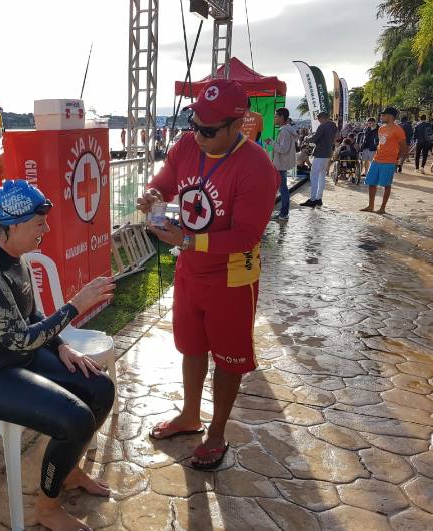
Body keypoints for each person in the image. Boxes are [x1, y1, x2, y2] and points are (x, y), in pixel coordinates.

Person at [0, 179, 116, 531]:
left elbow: (33, 317)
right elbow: (19, 339)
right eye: (39, 223)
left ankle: (67, 471)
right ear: (13, 226)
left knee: (100, 388)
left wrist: (62, 346)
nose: (47, 229)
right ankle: (47, 508)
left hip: (16, 357)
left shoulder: (16, 258)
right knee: (74, 419)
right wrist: (74, 306)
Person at [137, 79, 278, 470]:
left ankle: (217, 431)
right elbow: (165, 183)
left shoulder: (257, 168)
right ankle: (189, 415)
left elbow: (246, 235)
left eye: (209, 129)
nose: (198, 134)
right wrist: (151, 193)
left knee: (229, 359)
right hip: (190, 271)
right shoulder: (187, 144)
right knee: (191, 346)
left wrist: (188, 241)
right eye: (194, 123)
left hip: (232, 276)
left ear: (238, 125)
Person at [361, 106, 407, 214]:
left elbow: (404, 148)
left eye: (384, 115)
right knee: (371, 183)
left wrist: (396, 160)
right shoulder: (381, 128)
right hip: (376, 159)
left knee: (386, 185)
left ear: (390, 116)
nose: (381, 116)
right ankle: (370, 206)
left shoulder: (398, 130)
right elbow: (381, 144)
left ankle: (382, 208)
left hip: (389, 162)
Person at [265, 107, 297, 220]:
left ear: (282, 117)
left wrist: (272, 143)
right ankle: (282, 212)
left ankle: (283, 213)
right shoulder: (286, 130)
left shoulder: (284, 131)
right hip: (281, 164)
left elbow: (283, 149)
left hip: (281, 164)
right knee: (282, 188)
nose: (274, 119)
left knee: (283, 188)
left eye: (275, 116)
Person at [300, 112, 337, 208]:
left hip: (320, 154)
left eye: (319, 119)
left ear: (322, 118)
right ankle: (319, 198)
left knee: (314, 176)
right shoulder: (333, 125)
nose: (319, 121)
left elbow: (314, 139)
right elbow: (337, 137)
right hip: (328, 153)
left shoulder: (322, 126)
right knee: (322, 176)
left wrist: (307, 138)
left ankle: (312, 199)